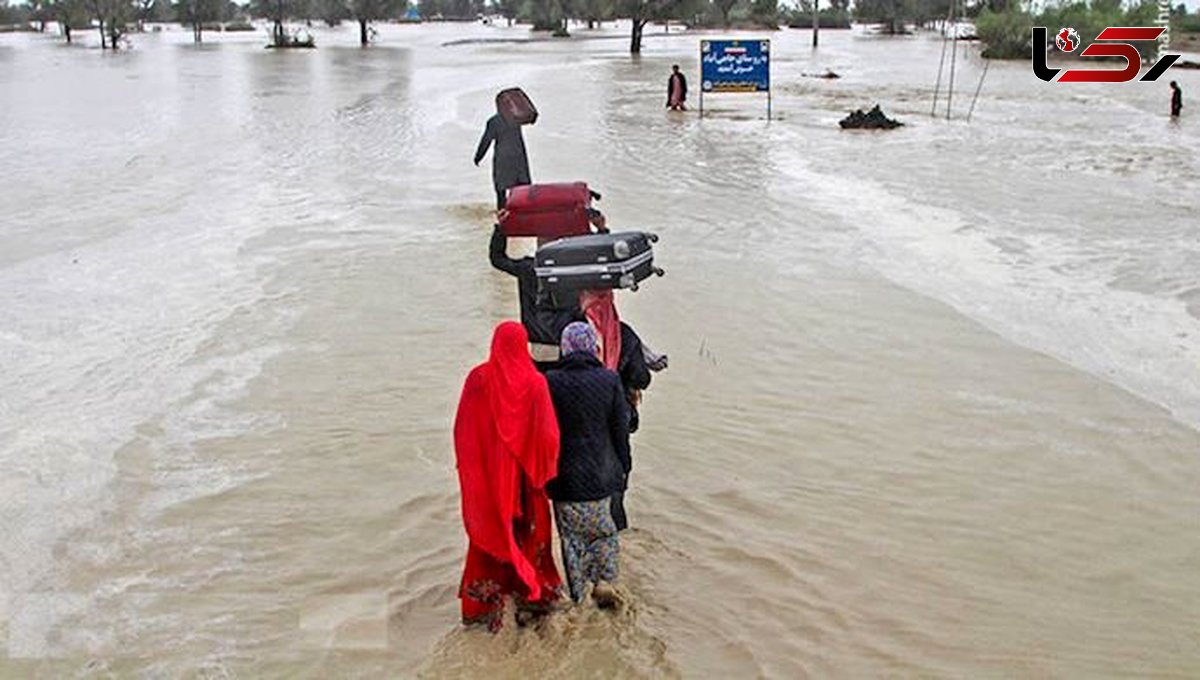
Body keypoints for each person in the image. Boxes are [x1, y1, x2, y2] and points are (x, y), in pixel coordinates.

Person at [453, 321, 563, 630]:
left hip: (490, 480)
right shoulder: (536, 383)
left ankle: (483, 610)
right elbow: (548, 437)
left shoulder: (477, 379)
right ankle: (533, 602)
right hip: (528, 483)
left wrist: (473, 471)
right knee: (532, 536)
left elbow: (464, 431)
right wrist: (543, 470)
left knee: (489, 536)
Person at [545, 323, 630, 608]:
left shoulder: (550, 381)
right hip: (600, 475)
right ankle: (605, 582)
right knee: (604, 532)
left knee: (571, 540)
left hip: (564, 479)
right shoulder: (609, 379)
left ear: (565, 347)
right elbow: (620, 427)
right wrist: (624, 464)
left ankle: (579, 598)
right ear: (594, 346)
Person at [488, 208, 609, 370]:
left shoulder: (529, 268)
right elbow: (602, 260)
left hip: (539, 343)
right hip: (572, 342)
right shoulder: (573, 269)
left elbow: (498, 259)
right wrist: (601, 229)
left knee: (545, 387)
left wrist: (501, 228)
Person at [474, 110, 532, 209]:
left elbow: (486, 140)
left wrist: (478, 156)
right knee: (523, 190)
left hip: (502, 159)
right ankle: (524, 214)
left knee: (501, 191)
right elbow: (529, 118)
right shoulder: (516, 119)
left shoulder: (493, 121)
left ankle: (503, 217)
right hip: (519, 158)